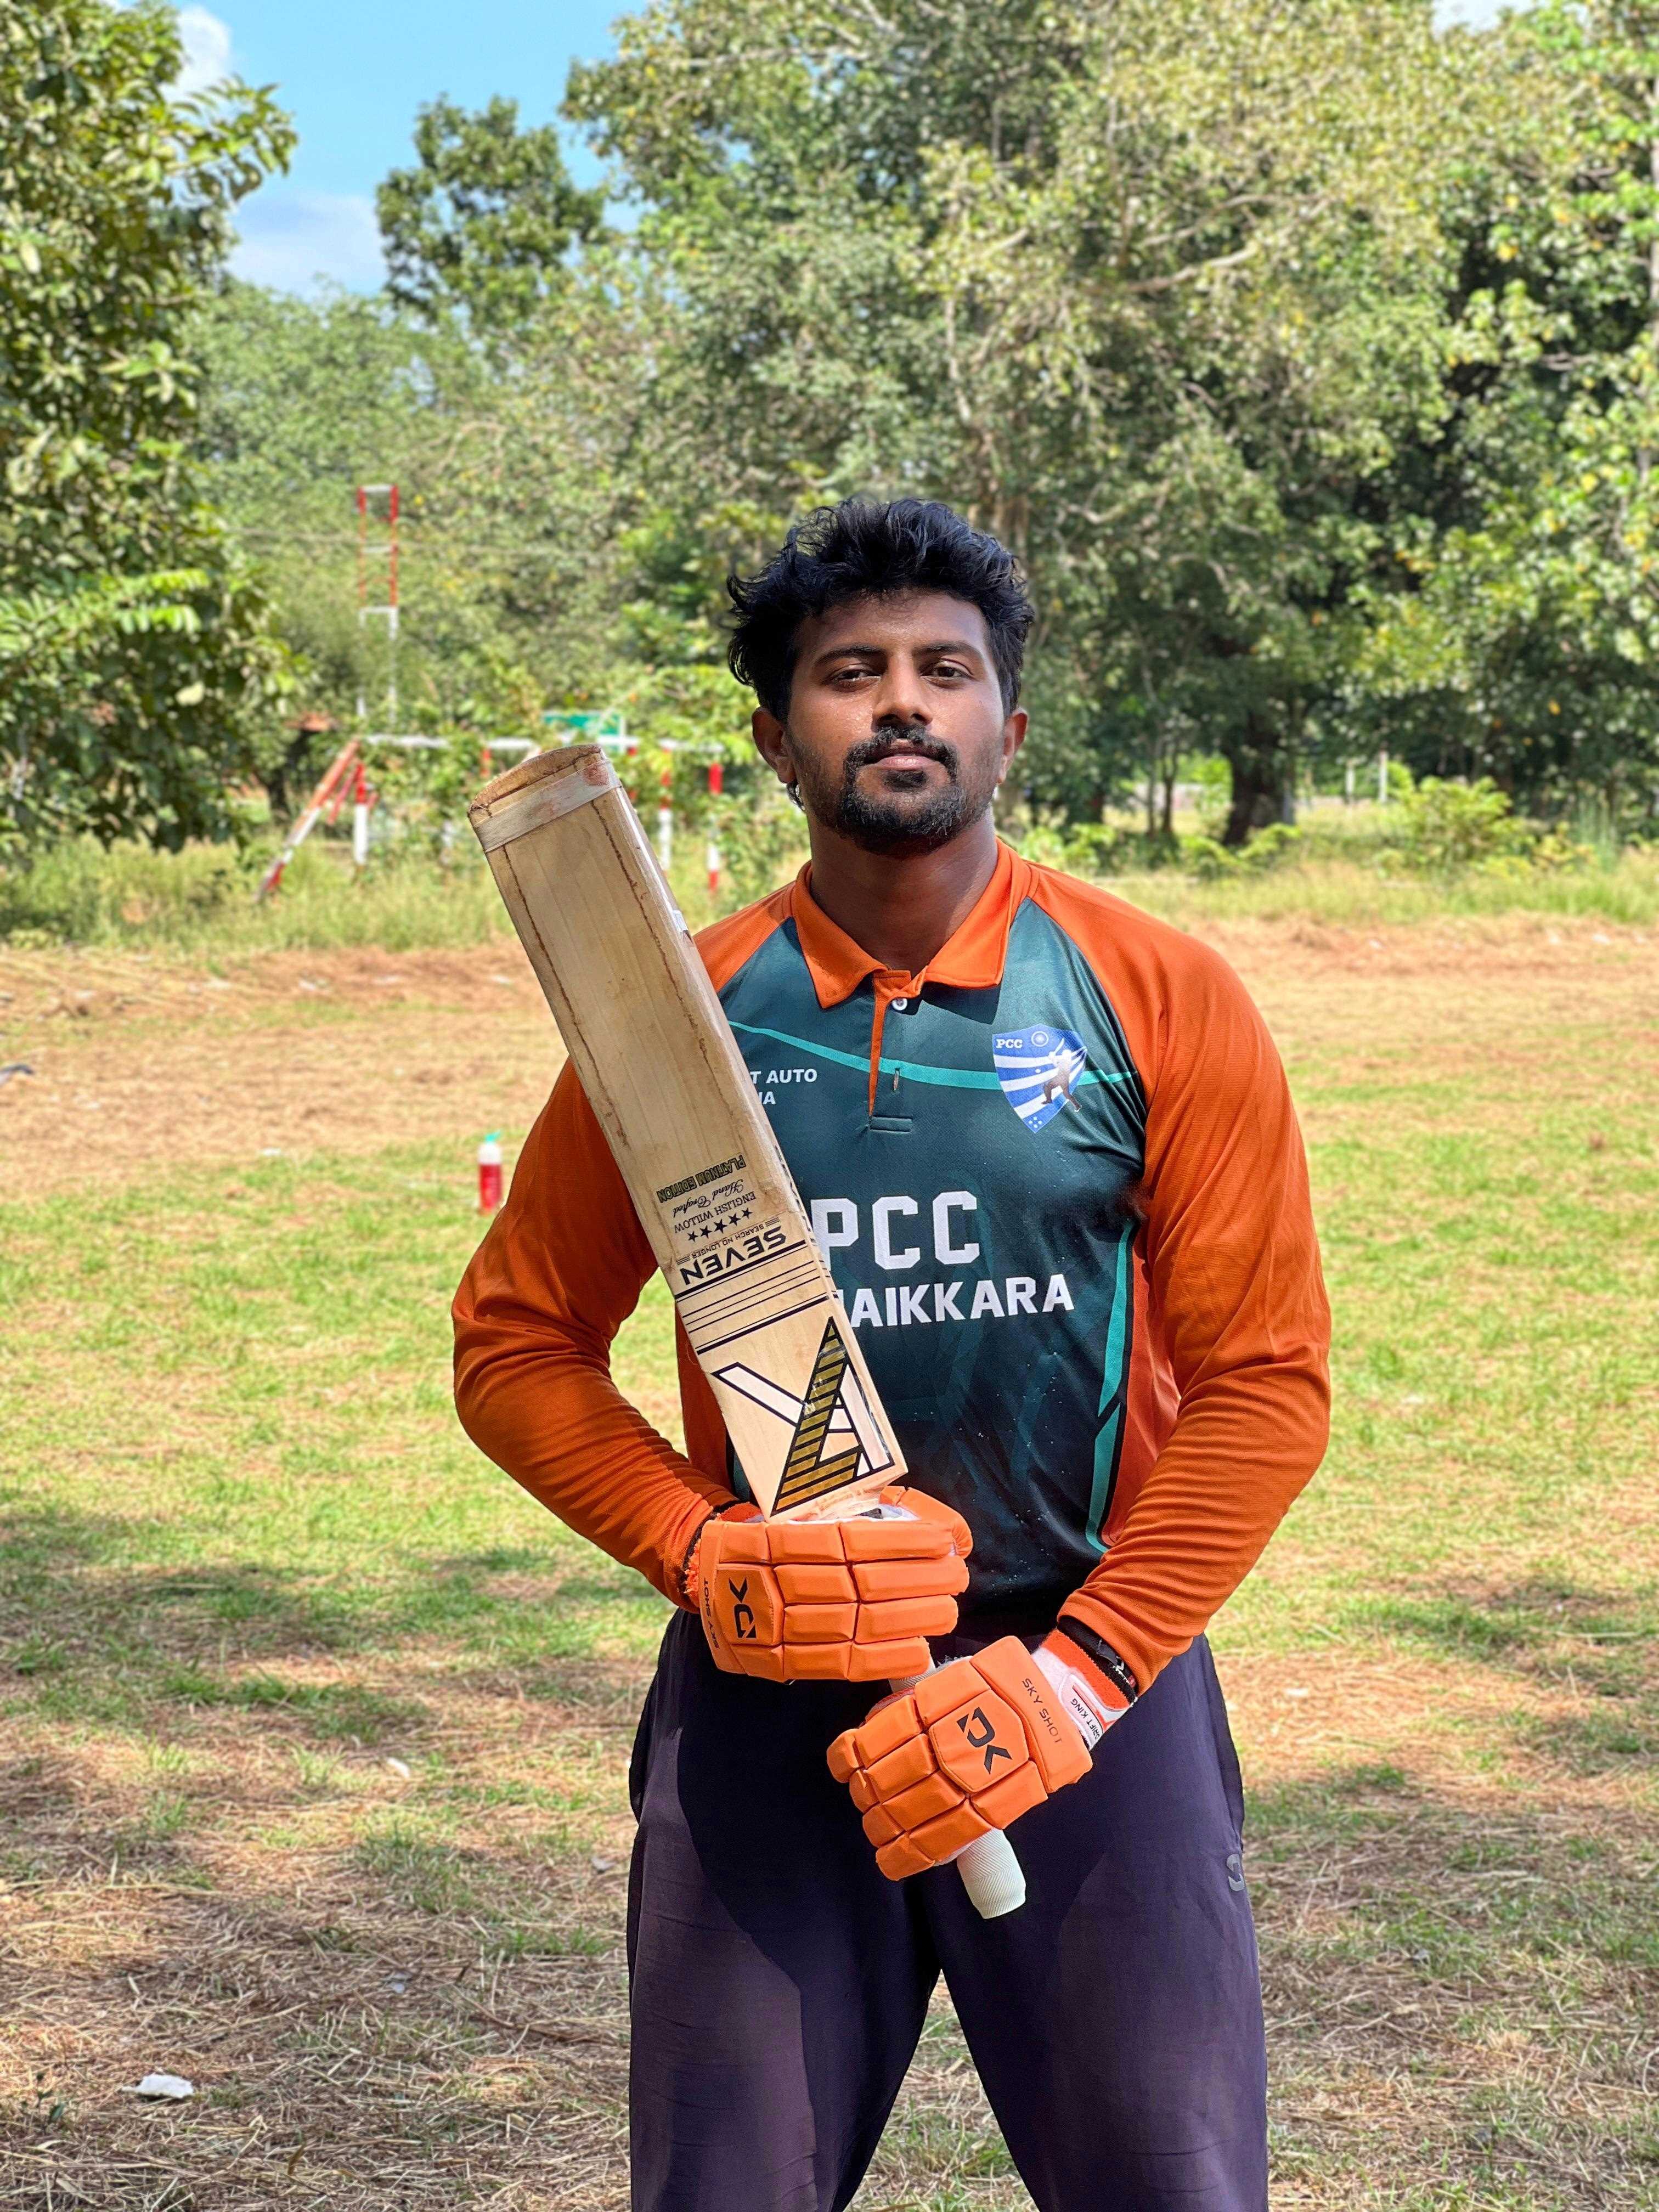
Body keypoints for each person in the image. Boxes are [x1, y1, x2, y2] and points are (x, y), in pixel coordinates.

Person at [453, 498, 1330, 2212]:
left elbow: (1266, 1383)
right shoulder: (678, 1019)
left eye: (947, 668)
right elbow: (518, 1346)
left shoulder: (1157, 993)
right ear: (778, 741)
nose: (904, 700)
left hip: (1086, 1675)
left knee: (1170, 2188)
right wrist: (702, 1552)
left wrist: (1076, 1681)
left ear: (1011, 722)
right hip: (772, 1673)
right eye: (851, 673)